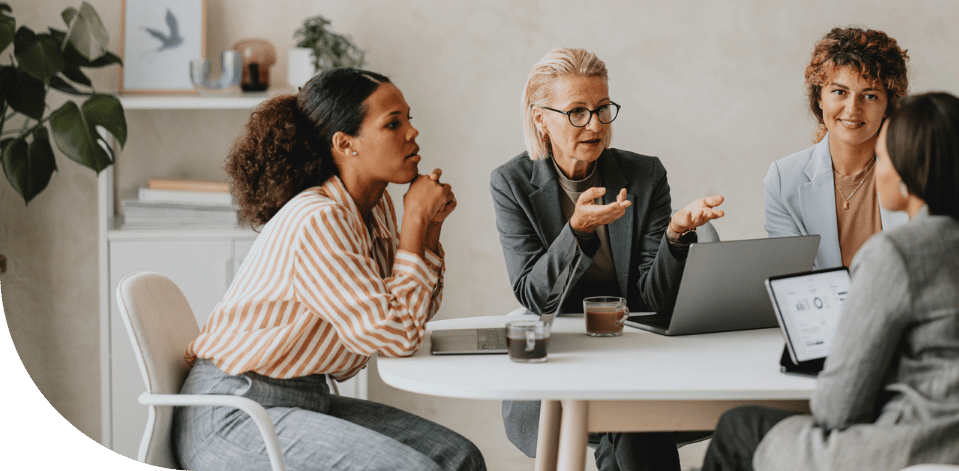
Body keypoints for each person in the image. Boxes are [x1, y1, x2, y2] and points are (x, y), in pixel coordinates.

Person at [173, 68, 486, 471]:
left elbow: (411, 313)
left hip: (304, 400)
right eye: (393, 123)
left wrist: (427, 229)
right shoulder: (318, 219)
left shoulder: (374, 209)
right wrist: (414, 223)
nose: (412, 133)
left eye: (409, 119)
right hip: (234, 415)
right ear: (345, 143)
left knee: (459, 458)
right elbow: (399, 337)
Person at [702, 91, 959, 471]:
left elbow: (837, 409)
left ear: (911, 175)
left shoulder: (895, 253)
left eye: (884, 154)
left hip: (915, 448)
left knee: (738, 427)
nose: (877, 165)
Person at [491, 47, 725, 471]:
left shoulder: (644, 175)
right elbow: (533, 295)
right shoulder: (511, 183)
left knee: (628, 409)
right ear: (540, 118)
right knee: (632, 419)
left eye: (602, 109)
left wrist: (675, 237)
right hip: (565, 358)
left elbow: (652, 298)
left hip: (636, 352)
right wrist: (576, 231)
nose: (595, 125)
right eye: (577, 112)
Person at [764, 27, 911, 268]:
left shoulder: (913, 171)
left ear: (889, 105)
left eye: (870, 96)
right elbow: (791, 281)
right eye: (839, 92)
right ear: (819, 97)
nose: (853, 109)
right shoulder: (783, 179)